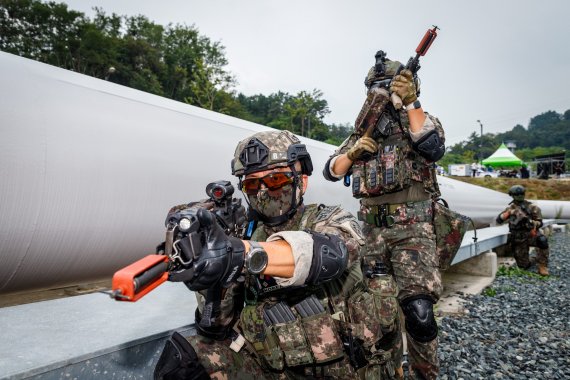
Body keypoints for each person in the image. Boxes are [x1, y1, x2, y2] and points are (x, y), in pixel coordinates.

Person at [154, 130, 403, 379]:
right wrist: (212, 275)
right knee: (185, 365)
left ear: (301, 181)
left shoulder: (329, 218)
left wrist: (242, 252)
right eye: (252, 184)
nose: (263, 192)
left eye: (276, 180)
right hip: (274, 367)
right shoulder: (244, 233)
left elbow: (330, 253)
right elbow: (217, 327)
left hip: (347, 370)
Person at [322, 54, 445, 380]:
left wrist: (412, 101)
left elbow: (432, 147)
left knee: (418, 313)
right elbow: (331, 170)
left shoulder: (418, 121)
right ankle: (391, 373)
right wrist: (352, 153)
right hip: (373, 235)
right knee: (380, 315)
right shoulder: (362, 132)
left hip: (413, 231)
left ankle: (425, 374)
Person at [496, 185, 550, 276]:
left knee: (542, 240)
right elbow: (498, 220)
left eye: (522, 193)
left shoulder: (532, 207)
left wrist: (531, 222)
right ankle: (533, 259)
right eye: (517, 194)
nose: (520, 196)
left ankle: (542, 265)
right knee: (523, 266)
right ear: (512, 195)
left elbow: (540, 223)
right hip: (517, 237)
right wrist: (509, 213)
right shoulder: (510, 208)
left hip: (530, 234)